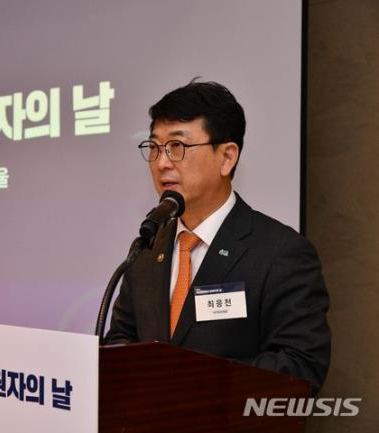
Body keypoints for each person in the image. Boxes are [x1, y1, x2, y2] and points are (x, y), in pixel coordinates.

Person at [105, 80, 331, 395]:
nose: (162, 163)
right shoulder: (147, 247)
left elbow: (301, 366)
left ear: (227, 158)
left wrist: (193, 386)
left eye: (177, 146)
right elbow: (120, 339)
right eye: (154, 147)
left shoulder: (281, 252)